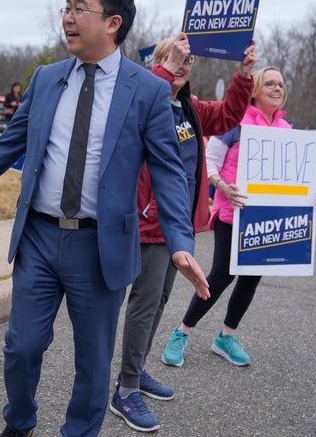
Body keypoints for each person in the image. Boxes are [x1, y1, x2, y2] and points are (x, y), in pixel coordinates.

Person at [0, 0, 209, 436]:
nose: (66, 17)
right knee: (21, 347)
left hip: (101, 246)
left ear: (112, 22)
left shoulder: (145, 91)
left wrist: (181, 241)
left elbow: (168, 171)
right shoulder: (47, 79)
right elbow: (7, 146)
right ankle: (20, 421)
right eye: (66, 6)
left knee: (93, 362)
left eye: (79, 8)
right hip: (40, 239)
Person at [111, 33, 256, 432]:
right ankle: (124, 390)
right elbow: (142, 97)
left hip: (178, 225)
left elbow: (228, 116)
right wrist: (168, 66)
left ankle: (136, 372)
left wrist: (244, 76)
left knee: (158, 302)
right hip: (149, 221)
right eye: (175, 59)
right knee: (144, 303)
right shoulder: (145, 99)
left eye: (188, 61)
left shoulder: (187, 107)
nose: (183, 66)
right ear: (159, 63)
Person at [161, 66, 316, 369]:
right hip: (232, 214)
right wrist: (224, 187)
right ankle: (182, 332)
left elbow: (295, 177)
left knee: (251, 278)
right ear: (256, 90)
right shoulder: (237, 122)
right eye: (270, 83)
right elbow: (209, 163)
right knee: (220, 277)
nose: (277, 88)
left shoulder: (287, 130)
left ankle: (226, 336)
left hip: (267, 219)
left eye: (281, 84)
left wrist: (310, 195)